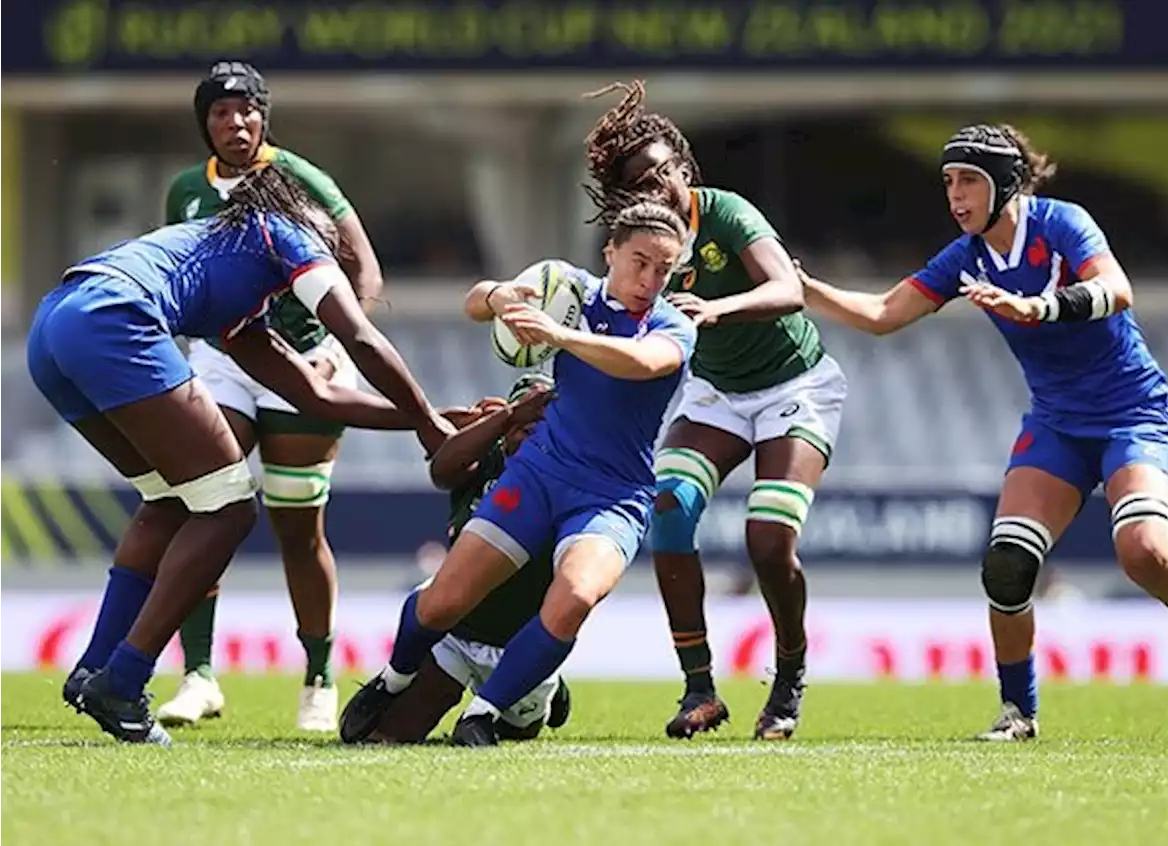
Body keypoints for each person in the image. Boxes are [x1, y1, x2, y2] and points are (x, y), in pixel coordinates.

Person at [797, 123, 1168, 740]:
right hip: (1057, 423)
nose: (954, 196)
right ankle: (1019, 713)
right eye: (947, 182)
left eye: (968, 181)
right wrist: (804, 288)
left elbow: (1117, 290)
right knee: (1008, 564)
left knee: (1143, 552)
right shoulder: (966, 257)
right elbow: (884, 314)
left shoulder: (1062, 223)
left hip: (1131, 414)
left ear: (1005, 183)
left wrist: (1041, 308)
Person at [29, 163, 468, 746]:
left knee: (167, 500)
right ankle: (124, 679)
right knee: (231, 507)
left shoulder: (234, 282)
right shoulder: (285, 234)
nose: (324, 261)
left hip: (55, 325)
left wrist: (426, 417)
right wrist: (428, 424)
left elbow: (316, 394)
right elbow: (359, 337)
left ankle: (95, 667)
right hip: (115, 319)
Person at [339, 201, 697, 748]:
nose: (649, 280)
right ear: (610, 254)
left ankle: (483, 713)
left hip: (613, 494)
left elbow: (644, 363)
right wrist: (500, 297)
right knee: (443, 601)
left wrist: (560, 337)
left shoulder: (670, 323)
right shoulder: (567, 286)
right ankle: (391, 680)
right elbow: (474, 300)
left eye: (663, 270)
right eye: (639, 262)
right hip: (539, 475)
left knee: (576, 593)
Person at [582, 80, 848, 740]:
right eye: (643, 183)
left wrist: (718, 310)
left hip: (796, 388)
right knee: (667, 511)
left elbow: (788, 288)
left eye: (665, 171)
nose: (660, 187)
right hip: (716, 395)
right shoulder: (640, 247)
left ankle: (788, 679)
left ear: (683, 166)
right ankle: (699, 688)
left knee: (768, 539)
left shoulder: (724, 213)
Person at [157, 61, 386, 732]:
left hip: (302, 362)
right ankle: (197, 675)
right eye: (221, 112)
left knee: (296, 526)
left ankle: (318, 678)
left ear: (265, 116)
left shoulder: (302, 179)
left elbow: (362, 266)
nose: (236, 122)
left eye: (247, 110)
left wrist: (344, 343)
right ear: (204, 123)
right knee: (204, 501)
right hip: (224, 359)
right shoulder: (183, 191)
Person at [367, 373, 573, 744]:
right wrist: (506, 416)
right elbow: (441, 469)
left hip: (518, 644)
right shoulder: (481, 462)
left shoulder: (567, 477)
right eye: (523, 422)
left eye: (541, 424)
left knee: (515, 735)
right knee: (385, 735)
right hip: (456, 636)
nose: (529, 432)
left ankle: (551, 688)